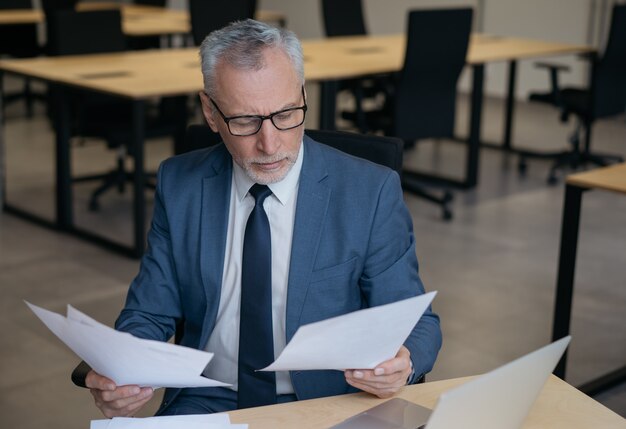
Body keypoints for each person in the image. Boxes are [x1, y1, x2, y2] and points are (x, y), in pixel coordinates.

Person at [85, 19, 442, 417]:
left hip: (328, 405)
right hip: (209, 400)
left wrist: (403, 362)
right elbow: (149, 312)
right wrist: (123, 371)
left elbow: (417, 322)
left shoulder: (369, 191)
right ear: (210, 112)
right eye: (244, 121)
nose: (270, 144)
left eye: (287, 114)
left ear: (303, 94)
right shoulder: (180, 183)